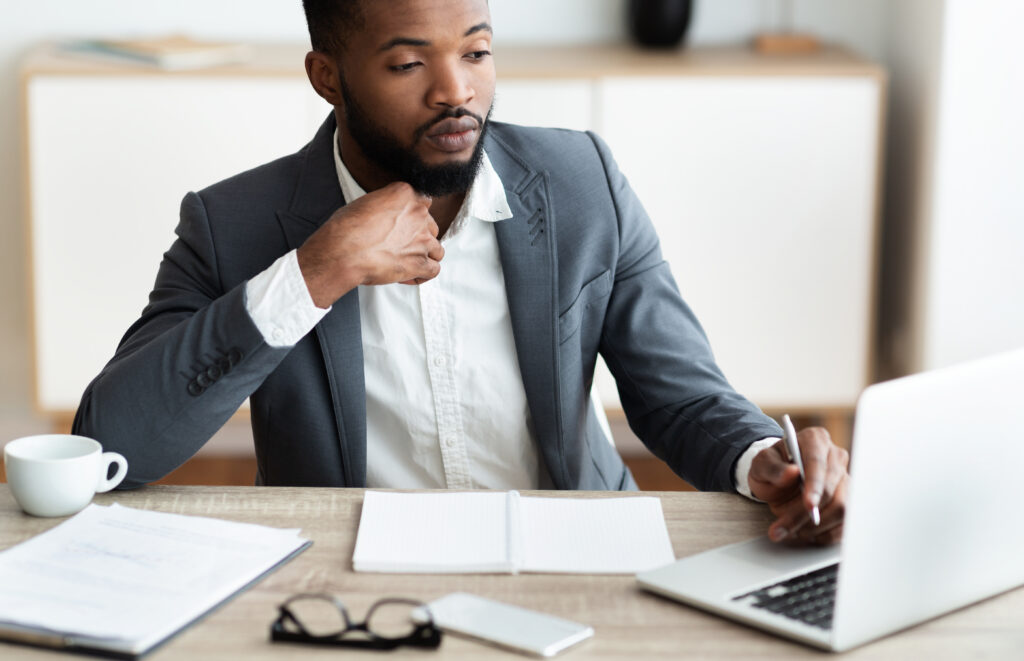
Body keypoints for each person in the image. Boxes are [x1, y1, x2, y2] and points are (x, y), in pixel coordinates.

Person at [73, 0, 849, 545]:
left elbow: (681, 393)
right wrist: (314, 271)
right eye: (410, 62)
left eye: (476, 51)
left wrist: (764, 460)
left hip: (575, 550)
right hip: (351, 579)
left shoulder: (584, 181)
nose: (457, 91)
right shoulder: (232, 224)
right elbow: (112, 443)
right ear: (327, 75)